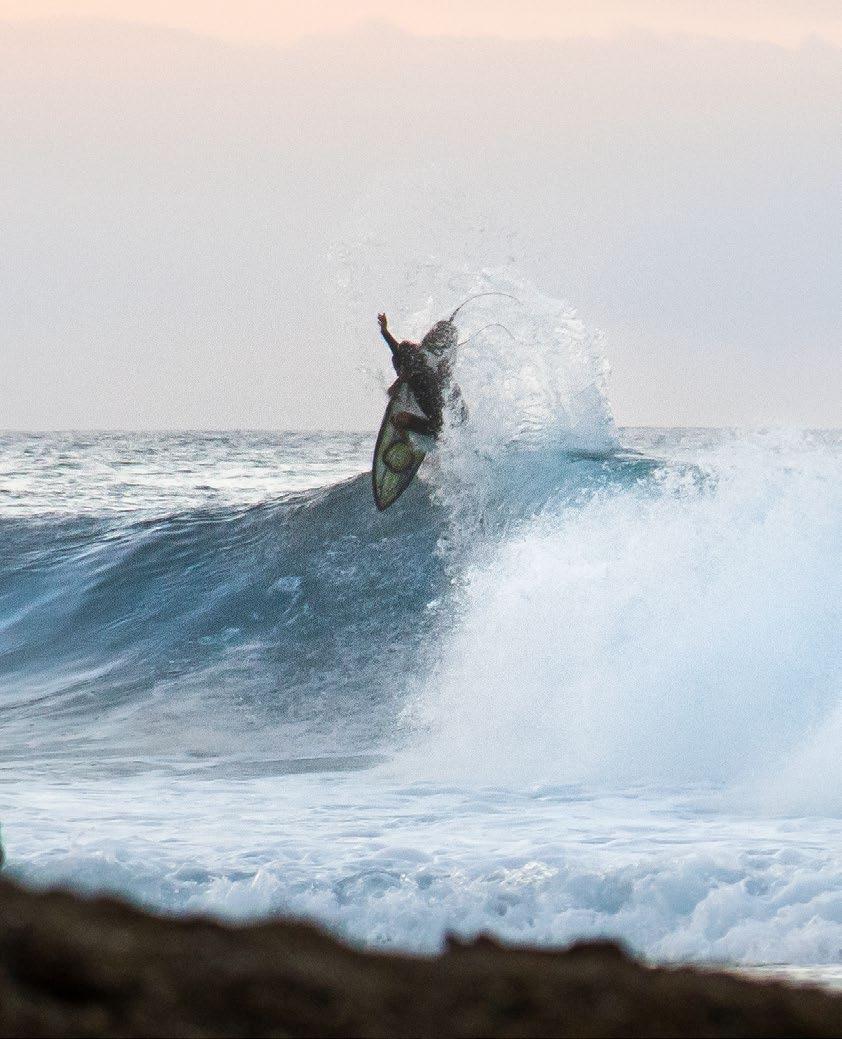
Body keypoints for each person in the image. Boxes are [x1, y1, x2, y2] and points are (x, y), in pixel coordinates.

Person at [377, 312, 466, 438]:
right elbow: (395, 347)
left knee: (434, 426)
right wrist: (384, 331)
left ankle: (406, 423)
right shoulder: (415, 359)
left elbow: (391, 391)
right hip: (442, 410)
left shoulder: (413, 371)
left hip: (438, 423)